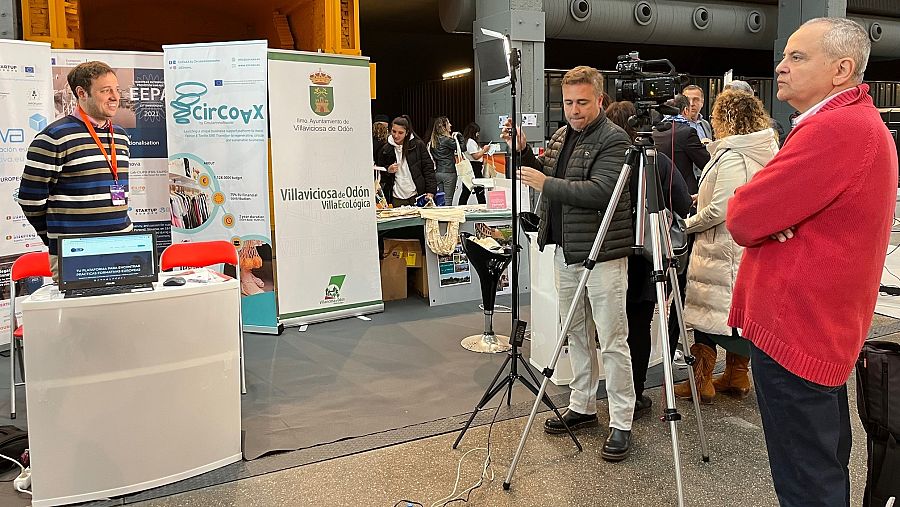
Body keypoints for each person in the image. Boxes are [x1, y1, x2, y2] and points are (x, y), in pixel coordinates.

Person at [726, 18, 897, 507]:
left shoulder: (835, 129)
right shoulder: (855, 124)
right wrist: (774, 217)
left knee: (807, 480)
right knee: (819, 464)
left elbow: (741, 216)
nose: (780, 66)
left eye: (797, 57)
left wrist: (768, 217)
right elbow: (762, 214)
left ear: (842, 69)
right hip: (815, 327)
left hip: (796, 331)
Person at [503, 66, 636, 461]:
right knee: (575, 333)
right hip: (566, 251)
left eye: (582, 102)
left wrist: (546, 184)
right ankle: (582, 406)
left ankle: (622, 420)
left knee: (612, 340)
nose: (574, 110)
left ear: (600, 100)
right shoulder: (564, 136)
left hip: (604, 256)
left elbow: (601, 192)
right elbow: (546, 173)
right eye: (568, 102)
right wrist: (523, 152)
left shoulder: (615, 139)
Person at [672, 89, 778, 404]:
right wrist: (698, 198)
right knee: (730, 314)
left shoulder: (734, 154)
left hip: (721, 249)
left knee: (709, 313)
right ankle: (736, 375)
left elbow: (722, 209)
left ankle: (700, 382)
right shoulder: (763, 148)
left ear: (725, 119)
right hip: (743, 247)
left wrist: (686, 224)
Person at [606, 100, 692, 418]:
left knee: (612, 327)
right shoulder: (659, 163)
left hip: (609, 254)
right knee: (639, 326)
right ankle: (636, 391)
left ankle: (617, 391)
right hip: (646, 260)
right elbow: (683, 204)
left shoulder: (608, 161)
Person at [17, 61, 132, 281]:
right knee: (81, 316)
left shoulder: (120, 136)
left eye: (117, 90)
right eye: (105, 90)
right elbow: (30, 200)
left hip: (122, 247)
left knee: (122, 314)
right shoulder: (54, 137)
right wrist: (57, 238)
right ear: (82, 93)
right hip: (76, 253)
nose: (115, 97)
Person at [376, 116, 436, 206]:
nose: (396, 135)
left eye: (400, 133)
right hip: (395, 196)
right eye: (394, 131)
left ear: (407, 133)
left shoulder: (418, 145)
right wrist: (388, 169)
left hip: (416, 195)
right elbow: (380, 172)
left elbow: (428, 169)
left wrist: (430, 191)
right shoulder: (385, 149)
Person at [429, 116, 458, 205]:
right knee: (448, 199)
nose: (451, 125)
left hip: (438, 172)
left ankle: (440, 217)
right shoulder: (447, 140)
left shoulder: (433, 141)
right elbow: (462, 147)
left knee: (440, 199)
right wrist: (458, 136)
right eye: (448, 123)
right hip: (449, 172)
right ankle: (446, 218)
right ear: (444, 126)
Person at [457, 122, 487, 205]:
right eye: (477, 132)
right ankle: (482, 206)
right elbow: (475, 156)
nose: (478, 134)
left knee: (467, 190)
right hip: (474, 167)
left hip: (474, 167)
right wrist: (484, 150)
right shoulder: (470, 142)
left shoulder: (468, 141)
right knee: (478, 189)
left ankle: (462, 206)